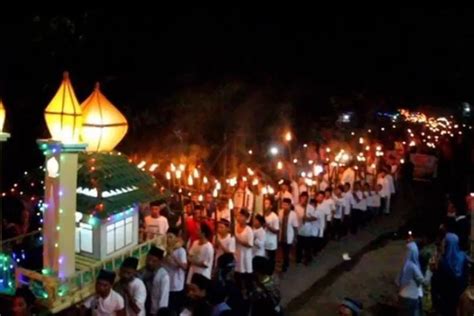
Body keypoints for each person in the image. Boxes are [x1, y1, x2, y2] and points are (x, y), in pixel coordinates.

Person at [432, 233, 469, 316]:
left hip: (446, 301)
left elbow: (438, 283)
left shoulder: (443, 262)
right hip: (460, 299)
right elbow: (466, 279)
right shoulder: (463, 258)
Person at [164, 228, 188, 315]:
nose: (168, 239)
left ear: (176, 238)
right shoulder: (164, 250)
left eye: (171, 237)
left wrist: (173, 256)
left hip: (176, 285)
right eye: (167, 237)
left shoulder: (181, 251)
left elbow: (184, 266)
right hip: (167, 285)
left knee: (175, 309)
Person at [397, 241, 424, 316]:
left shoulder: (404, 265)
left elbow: (397, 281)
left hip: (402, 296)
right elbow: (421, 279)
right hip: (412, 297)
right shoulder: (414, 266)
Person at [141, 246, 170, 315]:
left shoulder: (164, 276)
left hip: (156, 311)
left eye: (154, 261)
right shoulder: (146, 272)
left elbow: (164, 298)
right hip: (147, 308)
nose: (150, 263)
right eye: (148, 259)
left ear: (160, 261)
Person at [234, 209, 254, 293]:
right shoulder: (235, 226)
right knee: (237, 274)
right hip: (237, 253)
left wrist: (238, 240)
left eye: (241, 216)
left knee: (246, 275)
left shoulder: (249, 230)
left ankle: (249, 291)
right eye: (238, 215)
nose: (239, 218)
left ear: (246, 218)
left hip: (245, 255)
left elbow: (250, 244)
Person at [295, 192, 317, 264]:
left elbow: (315, 218)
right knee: (299, 246)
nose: (304, 200)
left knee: (307, 247)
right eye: (302, 198)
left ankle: (307, 259)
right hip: (300, 230)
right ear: (300, 198)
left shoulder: (311, 207)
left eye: (305, 198)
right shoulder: (296, 207)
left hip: (308, 231)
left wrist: (308, 219)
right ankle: (298, 259)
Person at [278, 198, 298, 272]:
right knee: (283, 251)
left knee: (286, 251)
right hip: (282, 236)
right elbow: (279, 224)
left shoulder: (293, 214)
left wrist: (295, 238)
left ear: (290, 205)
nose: (284, 206)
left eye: (286, 205)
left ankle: (285, 265)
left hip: (289, 236)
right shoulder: (280, 212)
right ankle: (285, 262)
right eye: (283, 205)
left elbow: (295, 227)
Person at [264, 197, 280, 274]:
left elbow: (276, 230)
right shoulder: (261, 214)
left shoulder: (274, 217)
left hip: (271, 242)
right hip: (263, 242)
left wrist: (268, 226)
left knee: (271, 260)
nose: (265, 204)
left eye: (267, 203)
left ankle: (270, 273)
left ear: (271, 206)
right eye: (264, 202)